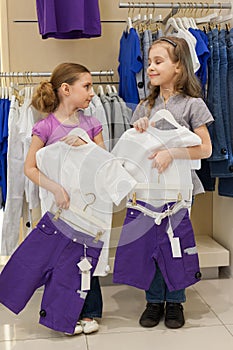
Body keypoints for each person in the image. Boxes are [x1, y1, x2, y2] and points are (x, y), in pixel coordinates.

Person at [131, 36, 213, 329]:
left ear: (178, 66)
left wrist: (171, 153)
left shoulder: (193, 105)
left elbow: (205, 149)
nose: (150, 67)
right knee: (150, 244)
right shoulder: (143, 106)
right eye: (149, 62)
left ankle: (175, 301)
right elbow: (135, 150)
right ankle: (154, 301)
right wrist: (139, 128)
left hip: (179, 192)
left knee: (174, 244)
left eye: (158, 61)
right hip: (149, 190)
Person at [24, 62, 105, 335]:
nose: (92, 93)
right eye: (87, 86)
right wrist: (56, 188)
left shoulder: (92, 124)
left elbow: (105, 163)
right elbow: (30, 168)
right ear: (66, 89)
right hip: (59, 206)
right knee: (61, 260)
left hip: (87, 205)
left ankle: (90, 311)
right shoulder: (44, 127)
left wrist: (86, 144)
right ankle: (62, 314)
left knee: (86, 257)